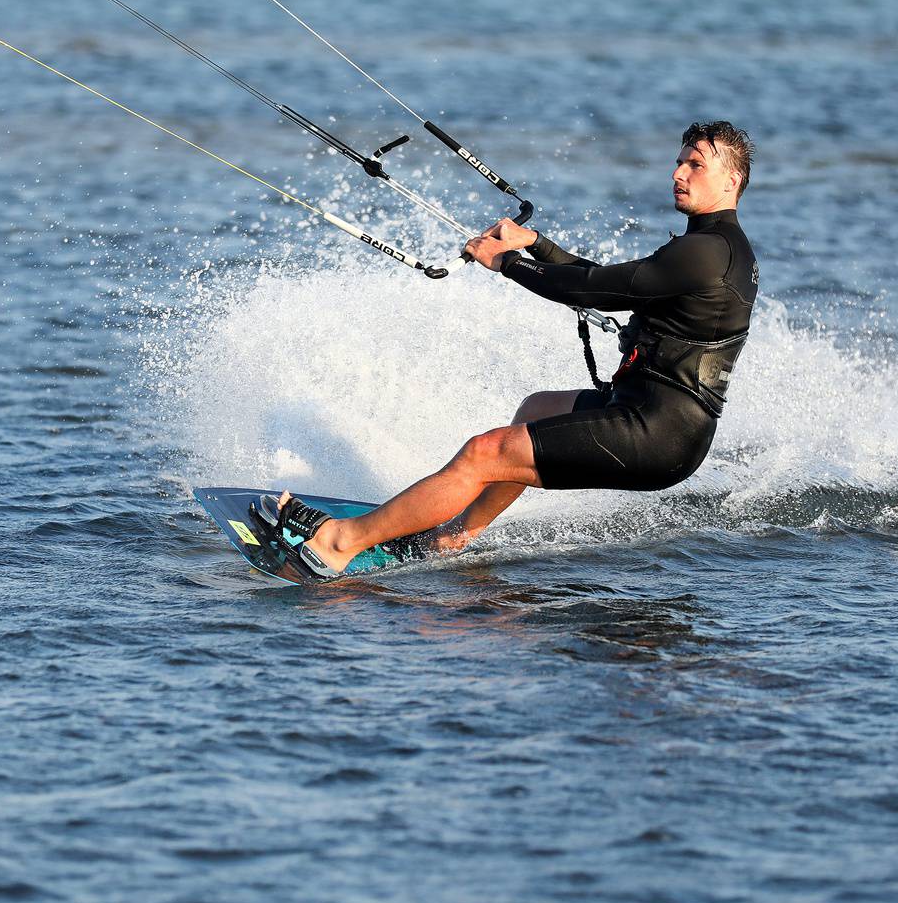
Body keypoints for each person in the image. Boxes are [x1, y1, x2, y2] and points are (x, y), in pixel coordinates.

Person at [258, 122, 760, 577]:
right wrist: (535, 245)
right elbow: (612, 280)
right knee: (537, 410)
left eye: (696, 163)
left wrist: (506, 264)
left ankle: (339, 543)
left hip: (657, 433)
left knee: (484, 452)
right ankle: (453, 537)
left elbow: (595, 290)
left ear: (730, 181)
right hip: (653, 416)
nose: (679, 172)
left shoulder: (707, 251)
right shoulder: (715, 247)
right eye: (680, 160)